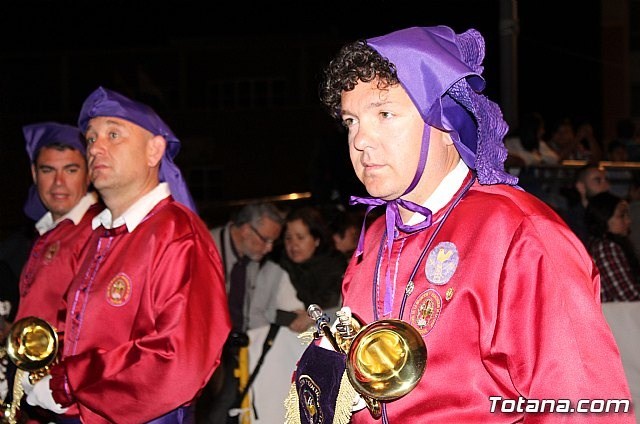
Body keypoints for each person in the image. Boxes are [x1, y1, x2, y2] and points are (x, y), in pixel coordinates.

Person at [286, 26, 633, 423]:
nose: (361, 139)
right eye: (351, 120)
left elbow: (581, 407)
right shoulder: (377, 235)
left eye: (384, 114)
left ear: (447, 124)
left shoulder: (520, 234)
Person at [20, 87, 230, 423]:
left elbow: (178, 359)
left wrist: (69, 382)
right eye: (90, 138)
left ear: (154, 150)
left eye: (114, 134)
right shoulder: (103, 236)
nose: (96, 148)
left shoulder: (176, 234)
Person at [1, 122, 101, 423]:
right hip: (36, 397)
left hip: (69, 401)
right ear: (34, 174)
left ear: (89, 173)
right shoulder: (46, 234)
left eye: (71, 170)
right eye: (48, 170)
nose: (58, 183)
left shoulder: (98, 232)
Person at [198, 201, 287, 424]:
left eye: (273, 242)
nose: (268, 248)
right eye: (265, 239)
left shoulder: (254, 259)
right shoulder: (203, 247)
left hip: (237, 347)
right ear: (246, 229)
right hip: (201, 349)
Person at [279, 205, 347, 333]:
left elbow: (344, 310)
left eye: (300, 237)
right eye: (288, 238)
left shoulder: (336, 267)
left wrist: (313, 317)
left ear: (316, 240)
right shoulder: (278, 267)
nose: (293, 245)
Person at [586, 191, 640, 302]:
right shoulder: (605, 249)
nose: (628, 221)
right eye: (621, 216)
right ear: (604, 219)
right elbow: (628, 295)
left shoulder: (602, 245)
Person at [562, 163, 610, 244]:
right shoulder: (572, 221)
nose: (605, 185)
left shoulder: (611, 215)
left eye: (606, 180)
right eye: (598, 180)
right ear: (581, 187)